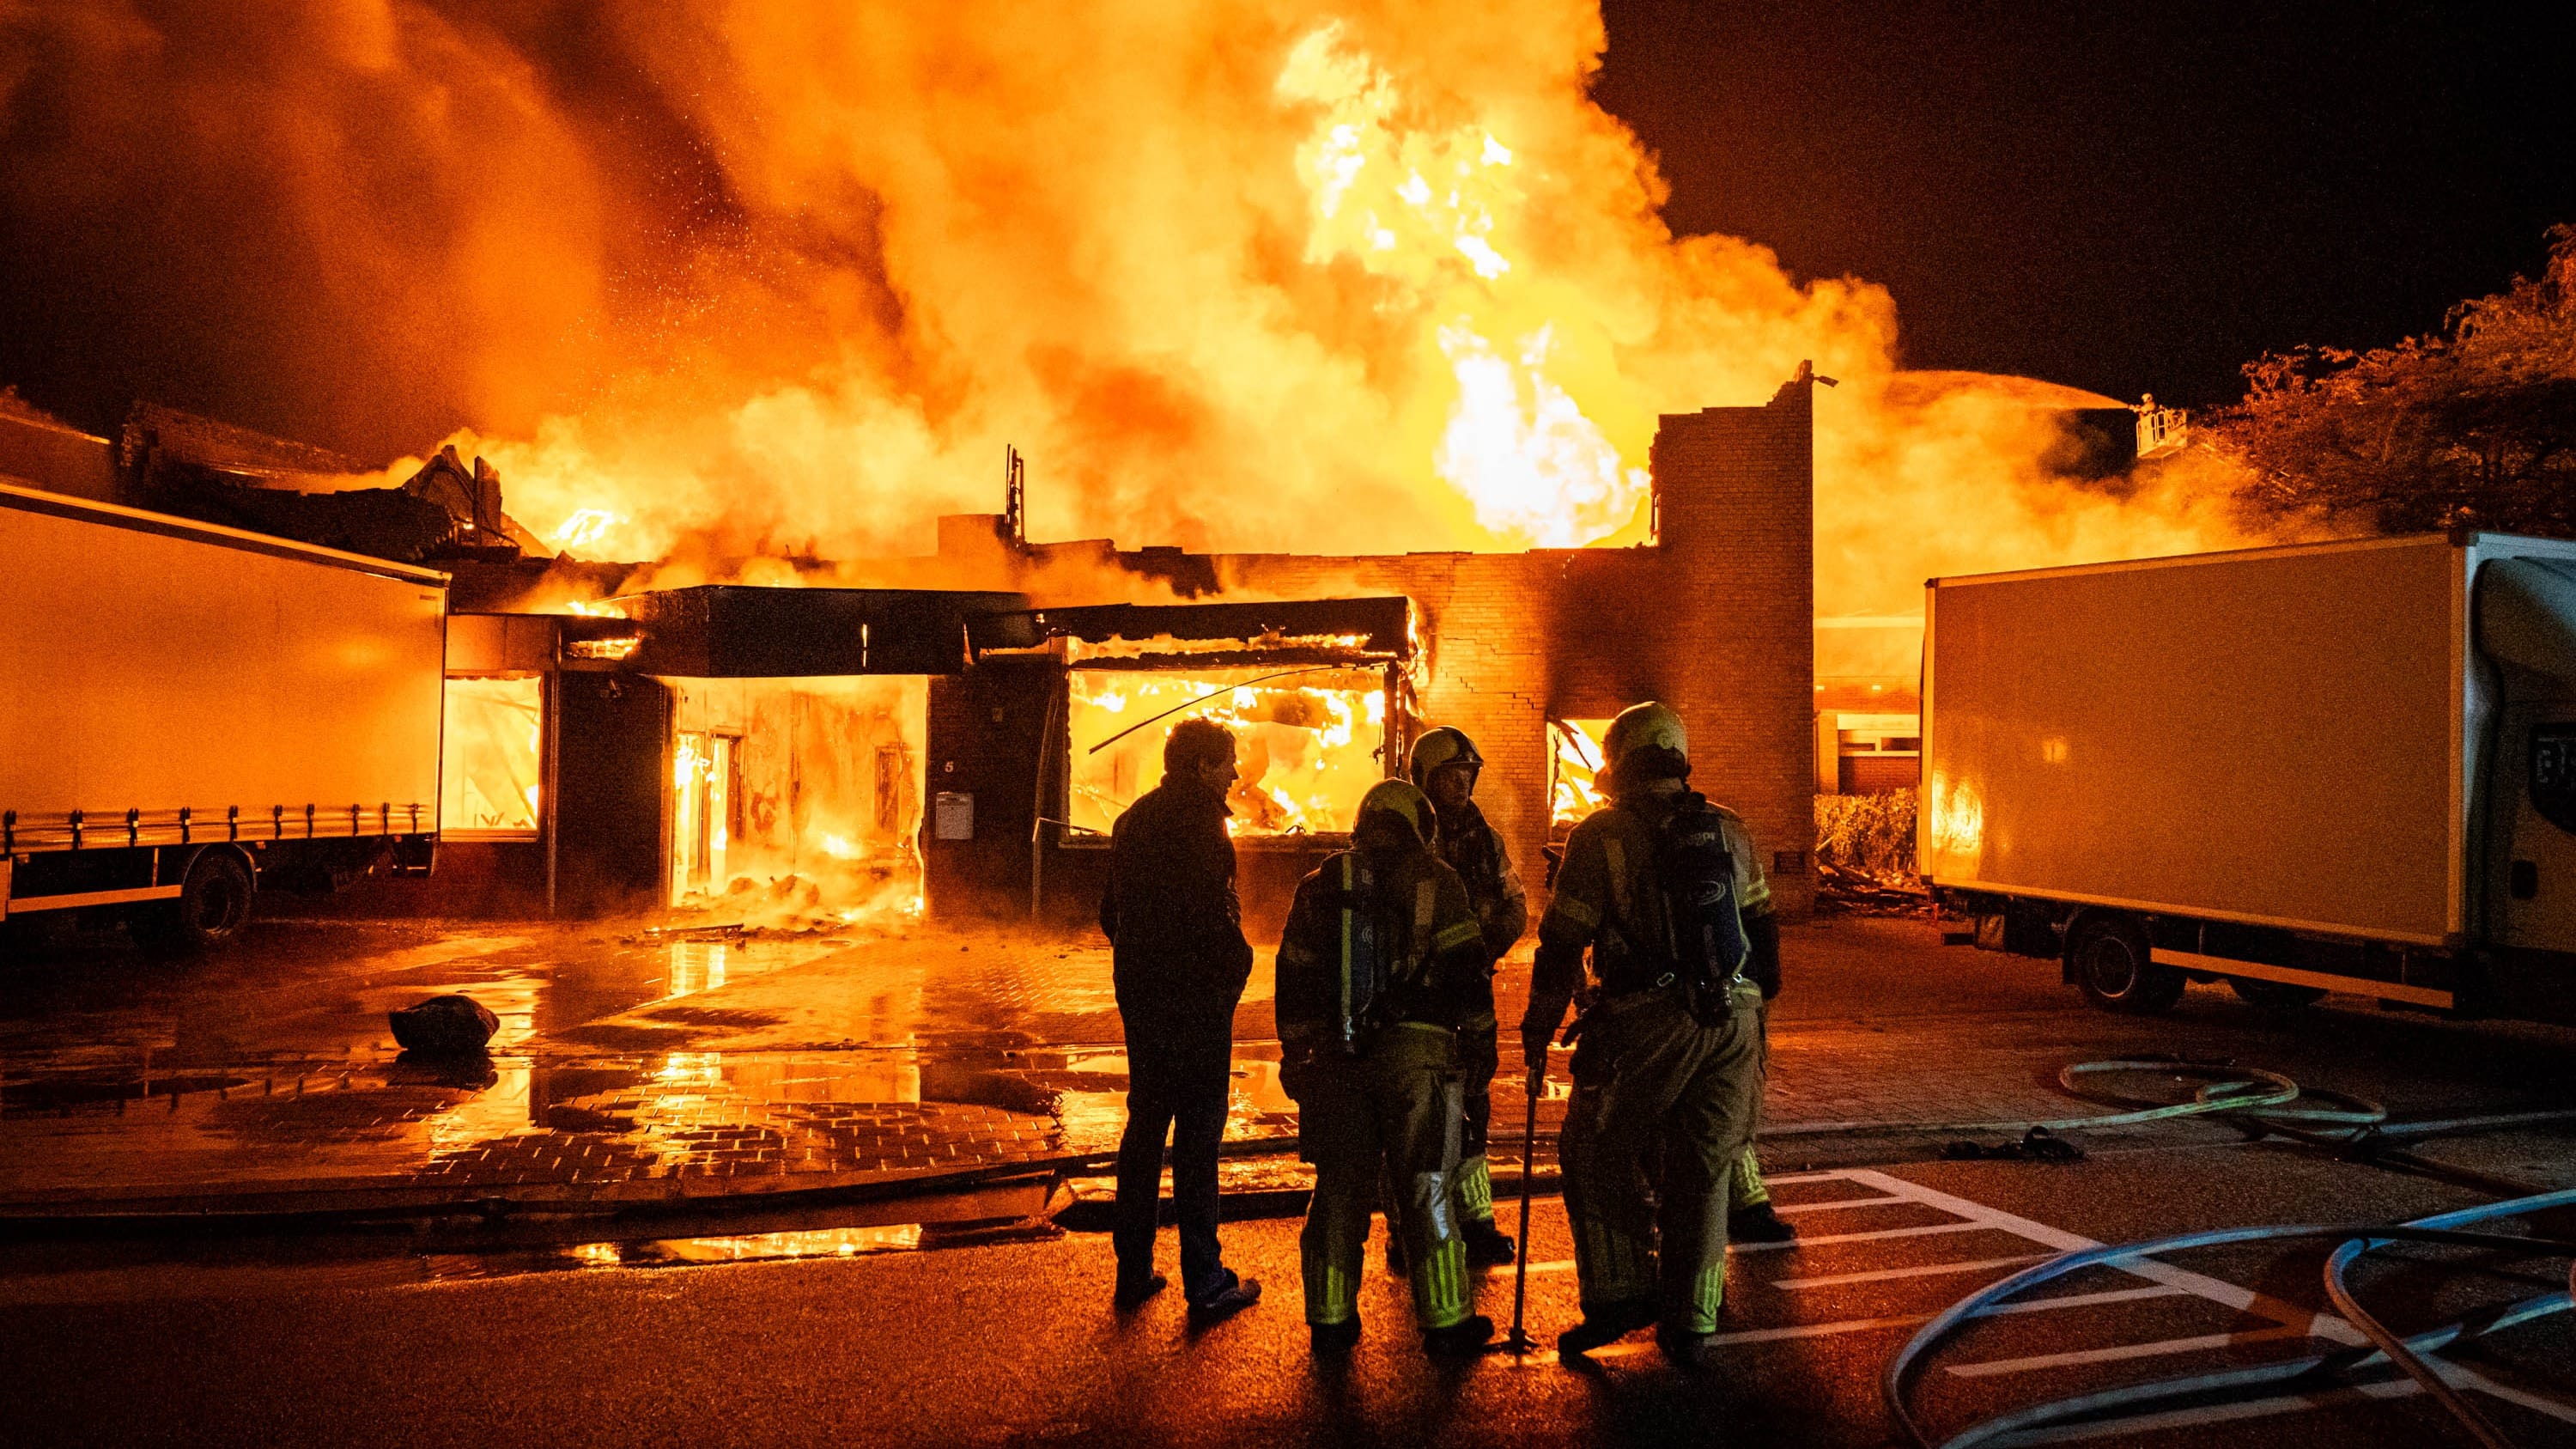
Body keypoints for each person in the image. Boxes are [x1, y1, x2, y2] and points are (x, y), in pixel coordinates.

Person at [1519, 701, 1783, 1368]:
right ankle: (1692, 1319)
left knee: (1593, 1153)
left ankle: (1620, 1294)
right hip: (1736, 1019)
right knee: (1704, 1170)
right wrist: (1746, 1024)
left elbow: (1560, 944)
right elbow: (1768, 950)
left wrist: (1538, 1024)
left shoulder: (1599, 835)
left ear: (1619, 763)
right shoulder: (1732, 828)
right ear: (1679, 757)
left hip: (1648, 1022)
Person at [1277, 779, 1496, 1355]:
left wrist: (1297, 1052)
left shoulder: (1319, 887)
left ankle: (1329, 1319)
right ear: (1419, 826)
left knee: (1339, 1188)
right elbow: (1468, 971)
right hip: (1419, 1060)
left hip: (1339, 1057)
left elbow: (1294, 975)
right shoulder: (1440, 881)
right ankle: (1446, 1324)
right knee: (1426, 1186)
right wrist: (1481, 1045)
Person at [1099, 717, 1262, 1321]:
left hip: (1142, 997)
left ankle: (1133, 1268)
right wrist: (1236, 968)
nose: (1235, 773)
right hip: (1194, 1005)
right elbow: (1213, 924)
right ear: (1201, 766)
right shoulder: (1206, 830)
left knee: (1144, 1129)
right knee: (1197, 1138)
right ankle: (1206, 1278)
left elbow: (1109, 912)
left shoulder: (1132, 820)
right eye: (1228, 762)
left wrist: (1140, 969)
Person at [1406, 726, 1528, 1266]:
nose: (1461, 786)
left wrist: (1483, 949)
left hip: (1470, 992)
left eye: (1466, 775)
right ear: (1424, 780)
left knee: (1474, 1102)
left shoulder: (1487, 839)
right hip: (1414, 1000)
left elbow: (1515, 905)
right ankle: (1412, 1230)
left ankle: (1477, 1220)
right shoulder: (1403, 835)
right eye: (1450, 776)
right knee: (1419, 1116)